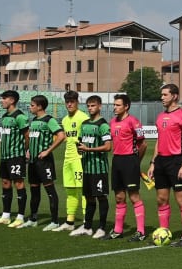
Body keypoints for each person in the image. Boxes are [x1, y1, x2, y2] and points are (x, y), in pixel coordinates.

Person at [148, 84, 182, 247]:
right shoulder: (160, 116)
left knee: (181, 199)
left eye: (165, 95)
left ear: (174, 96)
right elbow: (158, 141)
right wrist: (153, 163)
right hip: (161, 161)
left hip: (176, 161)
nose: (162, 97)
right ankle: (163, 233)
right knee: (161, 199)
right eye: (161, 95)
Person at [108, 94, 148, 241]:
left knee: (133, 196)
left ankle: (141, 232)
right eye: (114, 105)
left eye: (118, 105)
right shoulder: (112, 122)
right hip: (117, 160)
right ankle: (118, 231)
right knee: (119, 197)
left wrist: (136, 162)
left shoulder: (133, 121)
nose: (114, 107)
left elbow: (143, 143)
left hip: (130, 160)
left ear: (126, 106)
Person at [74, 95, 113, 239]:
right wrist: (80, 149)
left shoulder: (103, 125)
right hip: (87, 168)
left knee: (101, 197)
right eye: (89, 106)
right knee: (89, 197)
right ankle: (87, 227)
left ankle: (102, 228)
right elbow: (80, 142)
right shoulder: (84, 124)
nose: (90, 108)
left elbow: (108, 147)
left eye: (93, 106)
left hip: (99, 168)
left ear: (100, 106)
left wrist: (89, 149)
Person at [26, 95, 66, 230]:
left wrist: (48, 151)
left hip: (44, 162)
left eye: (32, 105)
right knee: (34, 190)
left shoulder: (49, 120)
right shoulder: (34, 120)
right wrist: (28, 151)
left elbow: (61, 135)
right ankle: (33, 219)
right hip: (32, 161)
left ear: (40, 107)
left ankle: (55, 221)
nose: (30, 107)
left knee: (50, 190)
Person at [0, 90, 29, 227]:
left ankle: (20, 217)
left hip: (16, 156)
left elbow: (27, 135)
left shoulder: (20, 116)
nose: (2, 101)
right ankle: (6, 215)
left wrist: (25, 151)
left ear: (12, 100)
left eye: (4, 98)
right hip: (5, 156)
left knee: (19, 184)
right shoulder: (4, 116)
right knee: (5, 183)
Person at [60, 90, 90, 233]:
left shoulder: (83, 118)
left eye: (72, 101)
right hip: (68, 159)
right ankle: (70, 221)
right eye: (67, 102)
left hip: (79, 159)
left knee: (82, 190)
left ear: (77, 102)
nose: (69, 104)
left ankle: (86, 222)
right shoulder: (65, 120)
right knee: (70, 190)